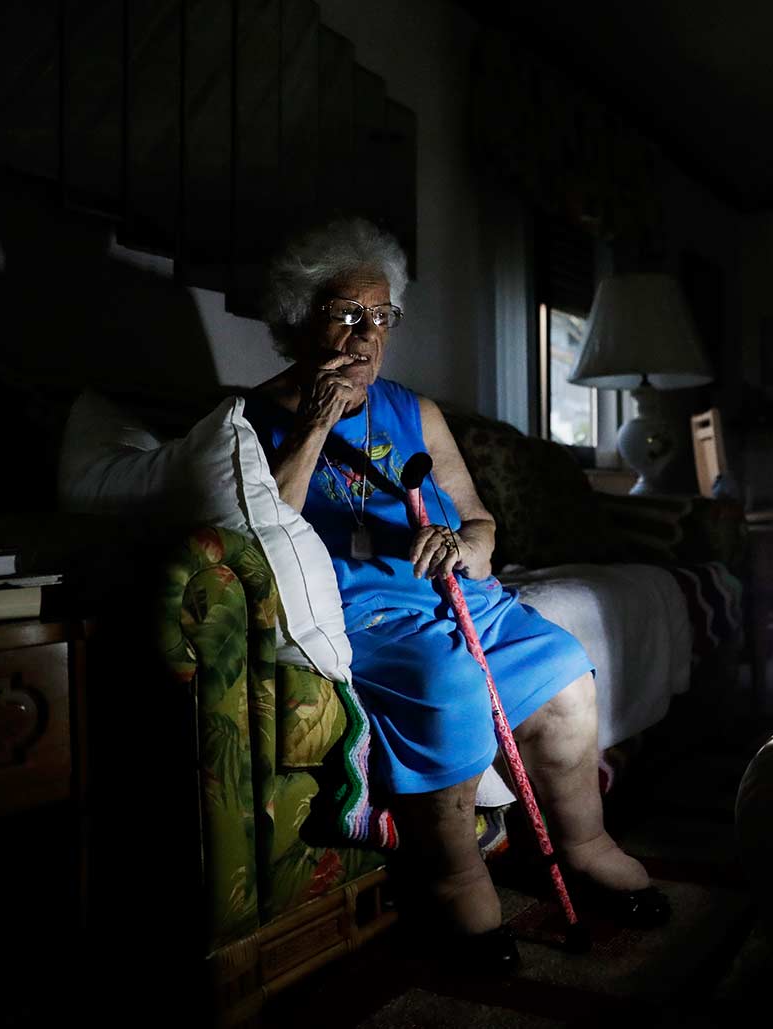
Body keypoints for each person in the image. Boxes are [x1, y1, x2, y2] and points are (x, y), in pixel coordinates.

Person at [244, 218, 668, 969]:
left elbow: (478, 520)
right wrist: (314, 425)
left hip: (460, 598)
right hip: (366, 616)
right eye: (346, 313)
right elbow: (262, 527)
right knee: (447, 686)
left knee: (565, 665)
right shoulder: (255, 419)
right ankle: (454, 878)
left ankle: (587, 844)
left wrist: (465, 548)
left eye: (381, 316)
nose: (366, 334)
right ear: (298, 316)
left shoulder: (417, 411)